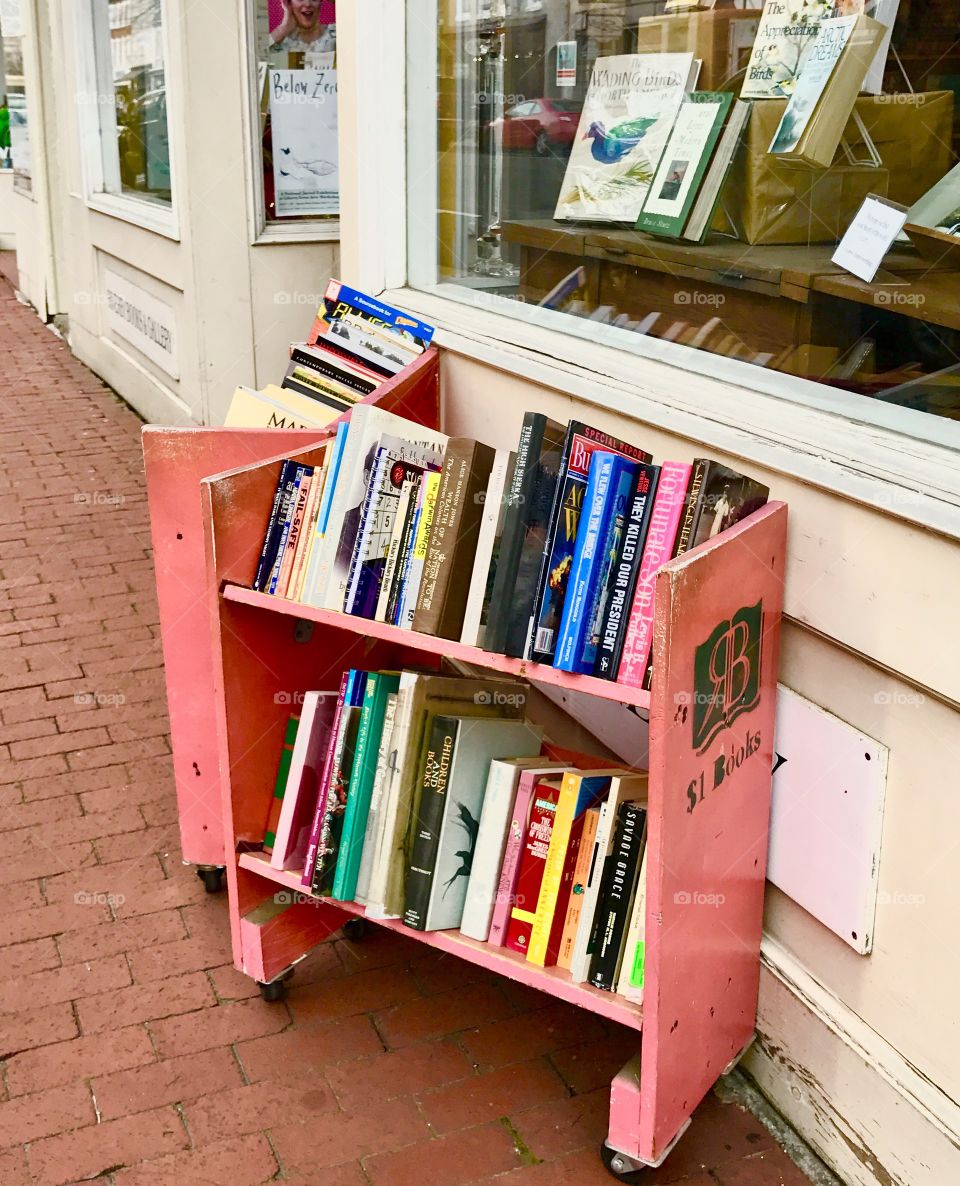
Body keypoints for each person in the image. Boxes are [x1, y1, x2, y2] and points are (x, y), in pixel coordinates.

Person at [269, 0, 336, 56]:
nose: (308, 4)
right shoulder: (279, 40)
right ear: (288, 3)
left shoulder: (336, 34)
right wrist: (283, 29)